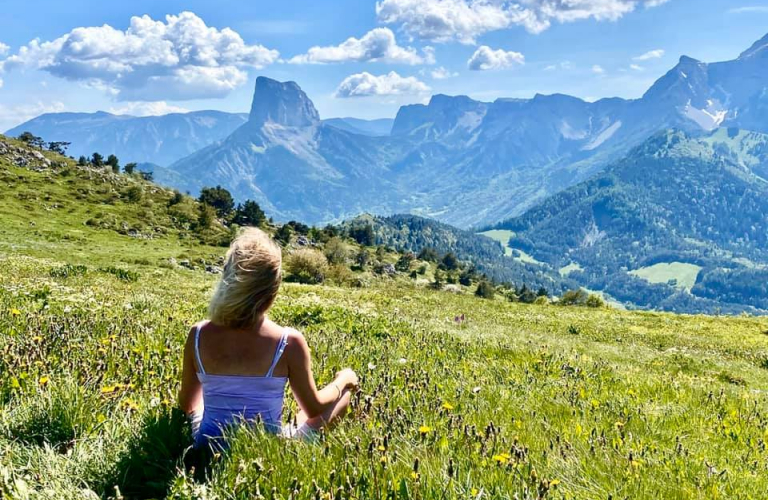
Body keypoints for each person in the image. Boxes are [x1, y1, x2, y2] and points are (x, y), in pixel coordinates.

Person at [178, 227, 358, 448]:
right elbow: (314, 407)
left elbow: (187, 405)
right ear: (272, 290)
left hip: (207, 444)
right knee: (343, 396)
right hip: (266, 446)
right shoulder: (288, 342)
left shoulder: (197, 334)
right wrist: (344, 380)